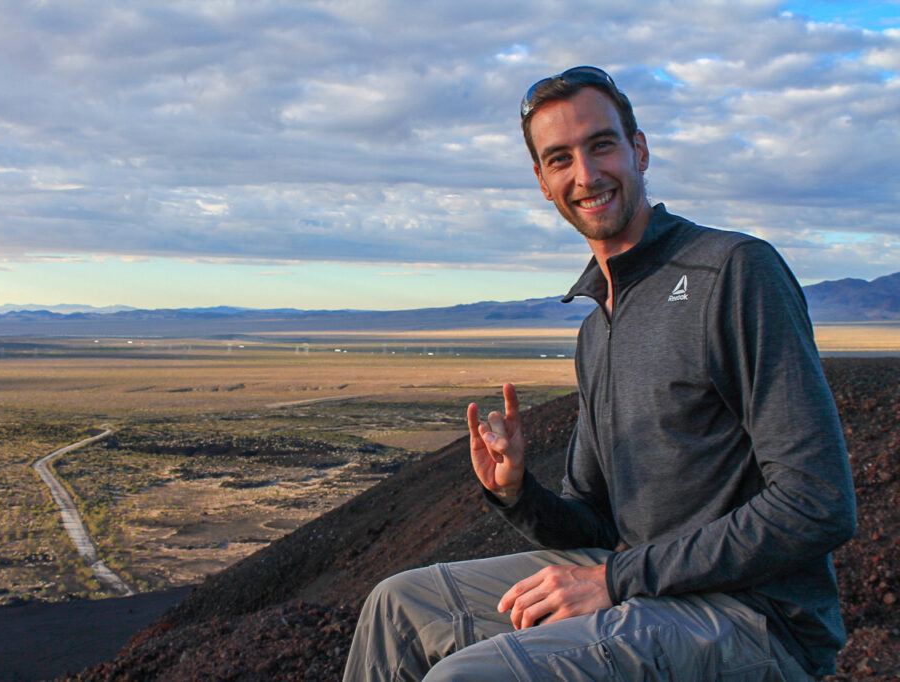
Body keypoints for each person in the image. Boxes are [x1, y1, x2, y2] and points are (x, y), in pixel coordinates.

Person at [342, 66, 856, 681]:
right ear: (542, 181)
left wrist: (616, 578)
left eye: (601, 145)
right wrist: (517, 493)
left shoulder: (735, 273)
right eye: (560, 159)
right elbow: (595, 522)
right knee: (397, 606)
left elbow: (818, 504)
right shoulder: (597, 328)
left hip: (754, 618)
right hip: (645, 591)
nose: (585, 175)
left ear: (638, 150)